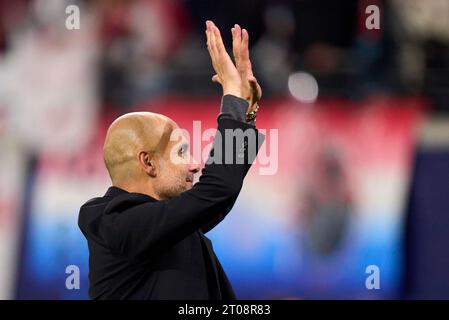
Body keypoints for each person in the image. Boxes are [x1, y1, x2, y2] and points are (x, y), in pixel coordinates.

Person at [78, 20, 264, 299]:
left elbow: (213, 202)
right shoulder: (115, 224)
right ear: (148, 162)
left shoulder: (163, 228)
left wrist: (246, 112)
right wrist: (232, 99)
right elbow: (215, 192)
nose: (194, 164)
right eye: (180, 152)